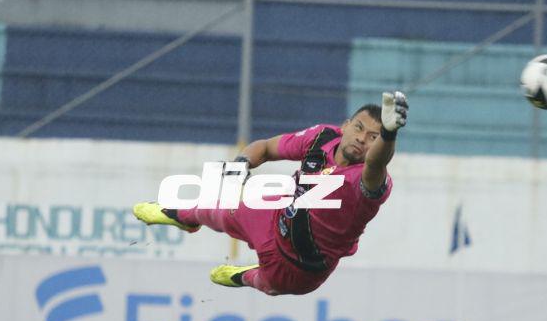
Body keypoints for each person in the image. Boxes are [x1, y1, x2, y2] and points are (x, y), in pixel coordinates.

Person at [132, 92, 408, 296]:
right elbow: (264, 148)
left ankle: (246, 276)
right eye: (359, 128)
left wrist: (390, 133)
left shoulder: (367, 181)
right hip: (274, 216)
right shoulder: (323, 137)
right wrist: (239, 166)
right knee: (220, 208)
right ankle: (182, 216)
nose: (362, 139)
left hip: (299, 266)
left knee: (270, 285)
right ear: (345, 125)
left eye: (374, 136)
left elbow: (376, 163)